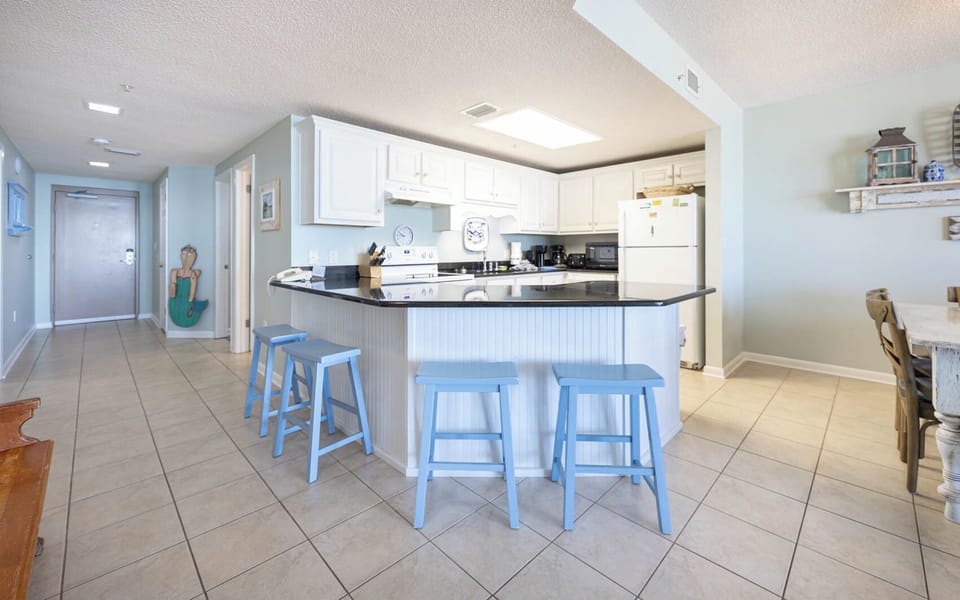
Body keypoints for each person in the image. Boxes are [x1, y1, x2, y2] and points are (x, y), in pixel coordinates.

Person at [169, 244, 208, 327]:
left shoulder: (195, 273)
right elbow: (172, 292)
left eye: (190, 255)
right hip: (175, 300)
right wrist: (173, 294)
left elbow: (193, 290)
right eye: (183, 254)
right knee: (175, 315)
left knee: (187, 317)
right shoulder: (174, 272)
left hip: (187, 300)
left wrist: (190, 300)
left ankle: (197, 307)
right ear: (181, 255)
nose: (186, 257)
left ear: (194, 257)